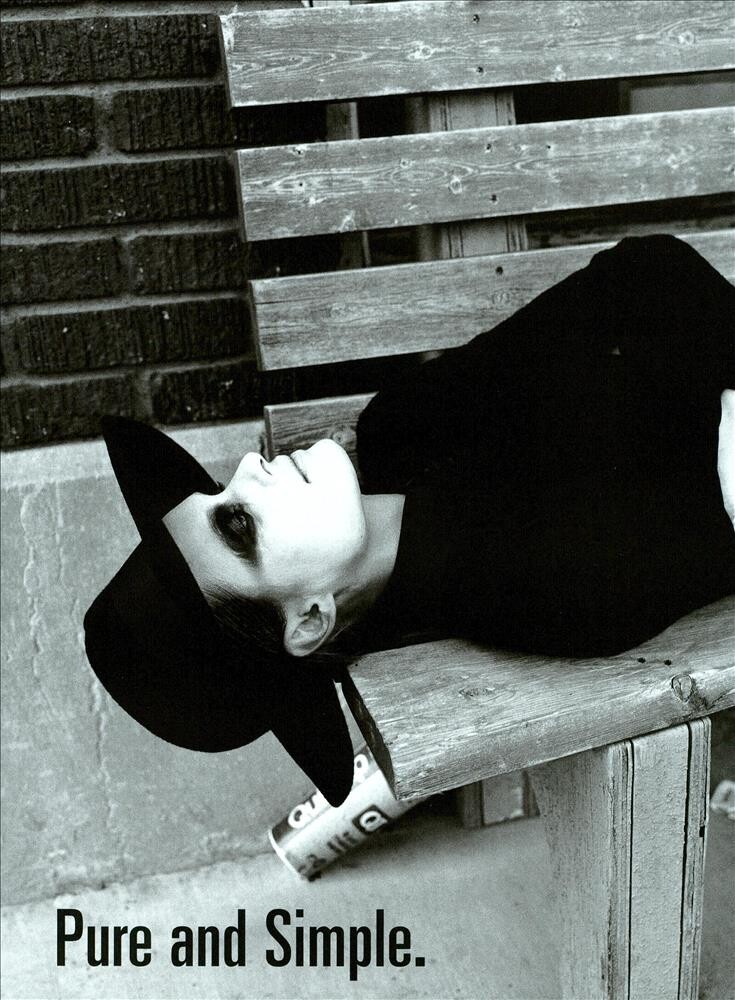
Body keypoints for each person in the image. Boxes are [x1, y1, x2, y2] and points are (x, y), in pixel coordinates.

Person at [84, 234, 735, 807]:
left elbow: (649, 270)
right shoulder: (537, 584)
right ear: (308, 619)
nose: (251, 466)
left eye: (219, 487)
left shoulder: (402, 424)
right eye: (238, 526)